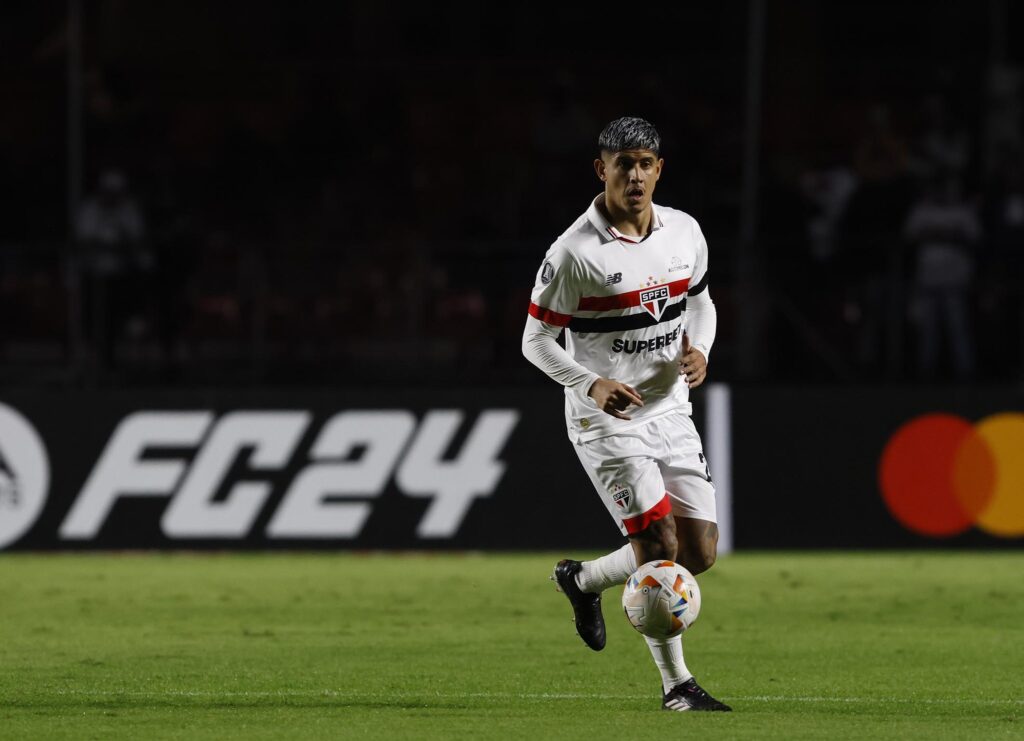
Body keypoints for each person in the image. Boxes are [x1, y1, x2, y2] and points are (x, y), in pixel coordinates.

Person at [522, 117, 729, 712]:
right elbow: (535, 342)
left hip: (670, 410)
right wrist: (589, 384)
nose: (634, 175)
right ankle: (678, 686)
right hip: (605, 421)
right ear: (601, 169)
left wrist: (701, 350)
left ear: (659, 169)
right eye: (622, 164)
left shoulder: (685, 232)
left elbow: (702, 302)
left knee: (701, 553)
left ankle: (581, 580)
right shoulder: (572, 254)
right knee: (660, 548)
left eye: (644, 163)